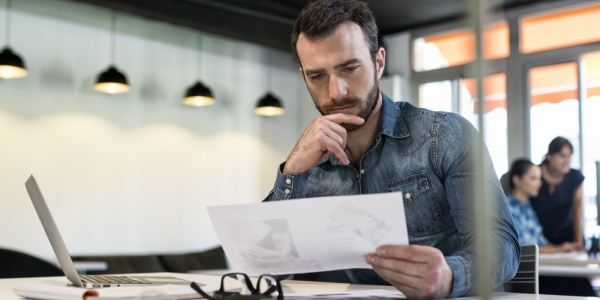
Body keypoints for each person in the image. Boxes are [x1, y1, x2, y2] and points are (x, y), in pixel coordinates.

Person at [262, 0, 520, 298]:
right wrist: (291, 171)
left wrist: (449, 276)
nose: (336, 92)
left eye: (349, 68)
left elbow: (503, 245)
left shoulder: (444, 136)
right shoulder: (311, 163)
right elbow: (268, 266)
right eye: (317, 76)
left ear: (379, 63)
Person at [527, 137, 594, 296]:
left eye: (569, 156)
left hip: (567, 240)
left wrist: (579, 245)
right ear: (549, 156)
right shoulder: (534, 175)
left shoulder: (575, 177)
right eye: (562, 156)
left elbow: (577, 214)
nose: (567, 160)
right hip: (541, 241)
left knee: (581, 289)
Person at [506, 159, 579, 253]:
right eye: (533, 178)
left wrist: (563, 247)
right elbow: (523, 249)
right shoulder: (507, 208)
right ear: (517, 180)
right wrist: (558, 249)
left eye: (539, 178)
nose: (539, 183)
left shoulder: (527, 207)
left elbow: (541, 242)